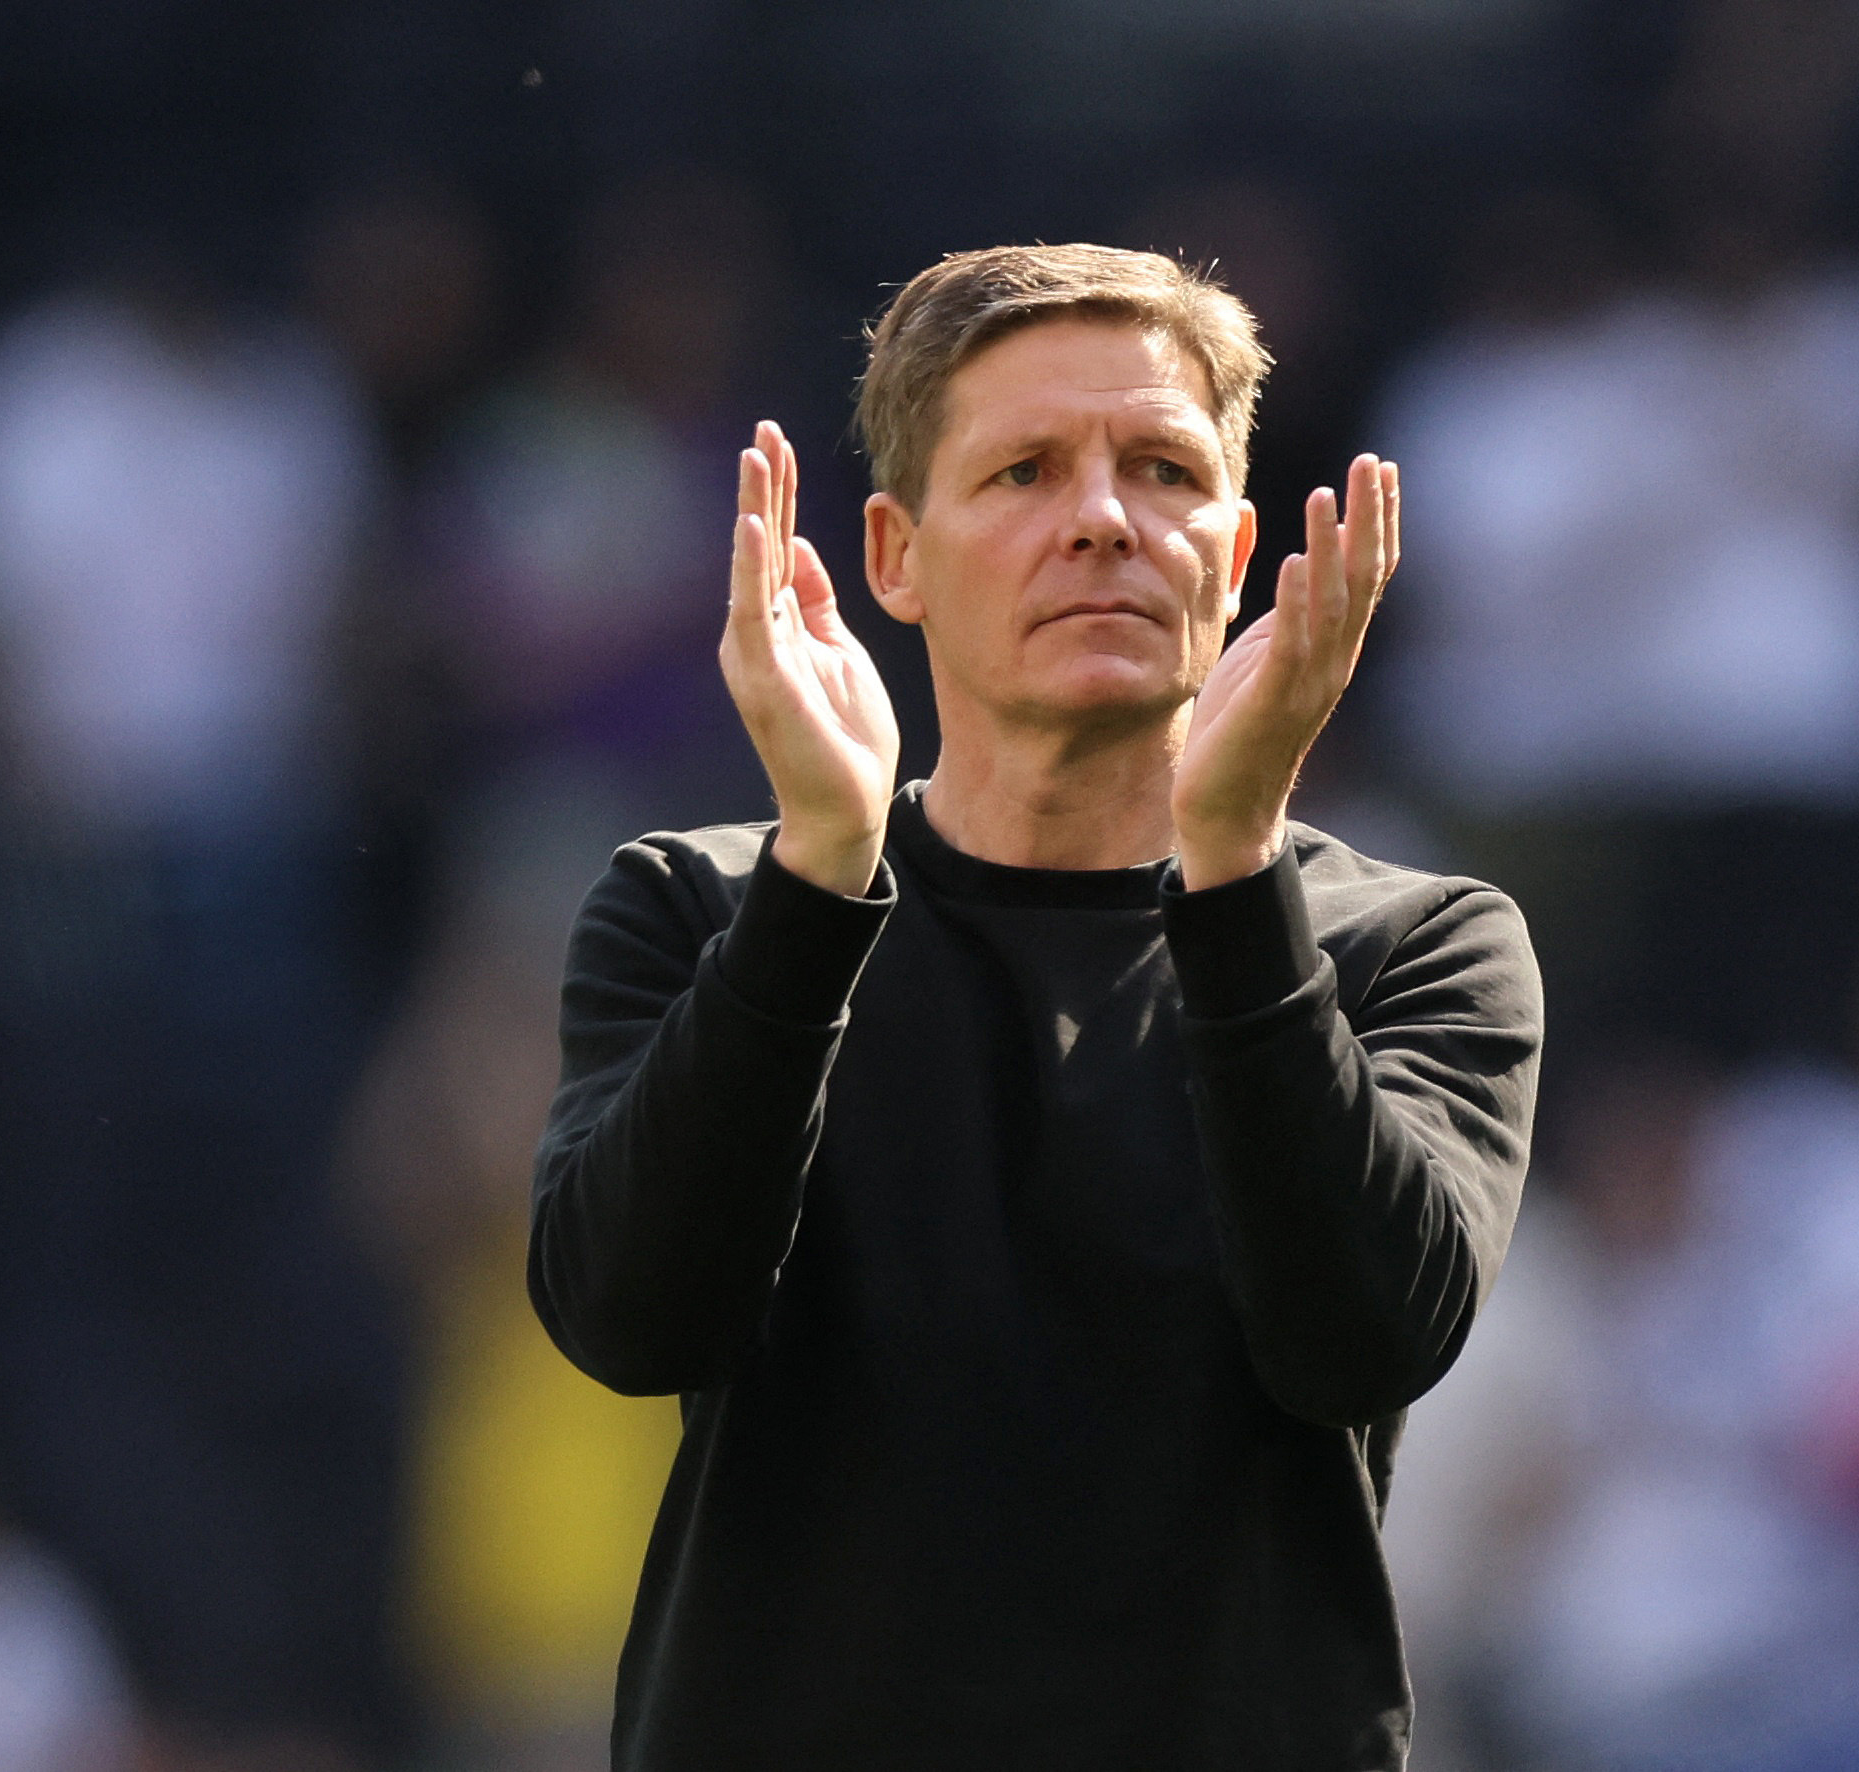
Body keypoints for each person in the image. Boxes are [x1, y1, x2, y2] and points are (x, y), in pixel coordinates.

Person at [529, 244, 1542, 1769]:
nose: (1102, 521)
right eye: (1020, 472)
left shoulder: (1417, 943)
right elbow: (629, 1314)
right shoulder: (708, 909)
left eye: (1163, 470)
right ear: (894, 555)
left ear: (1239, 542)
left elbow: (1358, 1340)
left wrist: (1234, 868)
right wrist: (818, 875)